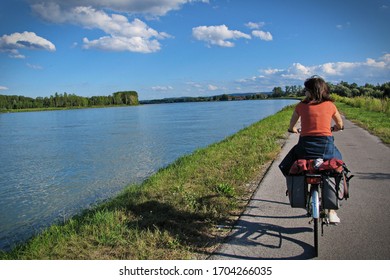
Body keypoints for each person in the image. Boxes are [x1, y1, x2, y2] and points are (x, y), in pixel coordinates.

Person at [279, 75, 344, 223]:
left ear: (311, 91)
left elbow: (291, 125)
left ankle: (300, 192)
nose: (304, 92)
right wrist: (334, 128)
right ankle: (332, 211)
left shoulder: (301, 106)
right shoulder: (330, 105)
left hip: (305, 148)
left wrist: (293, 129)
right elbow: (340, 125)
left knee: (286, 165)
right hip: (325, 148)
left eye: (306, 90)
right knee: (338, 166)